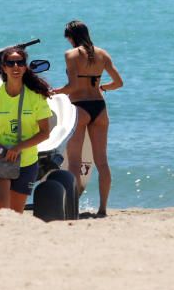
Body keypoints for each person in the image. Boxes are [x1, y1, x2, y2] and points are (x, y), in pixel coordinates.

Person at [52, 20, 123, 217]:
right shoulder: (102, 54)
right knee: (102, 162)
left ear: (71, 36)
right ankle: (102, 209)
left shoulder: (71, 55)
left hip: (80, 108)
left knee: (74, 162)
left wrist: (55, 92)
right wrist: (102, 87)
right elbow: (118, 82)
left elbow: (73, 87)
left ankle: (73, 208)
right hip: (99, 108)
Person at [0, 47, 54, 213]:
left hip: (26, 160)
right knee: (2, 209)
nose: (16, 67)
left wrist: (18, 148)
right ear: (4, 68)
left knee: (15, 213)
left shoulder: (35, 95)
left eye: (20, 63)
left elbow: (44, 133)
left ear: (25, 67)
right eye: (11, 63)